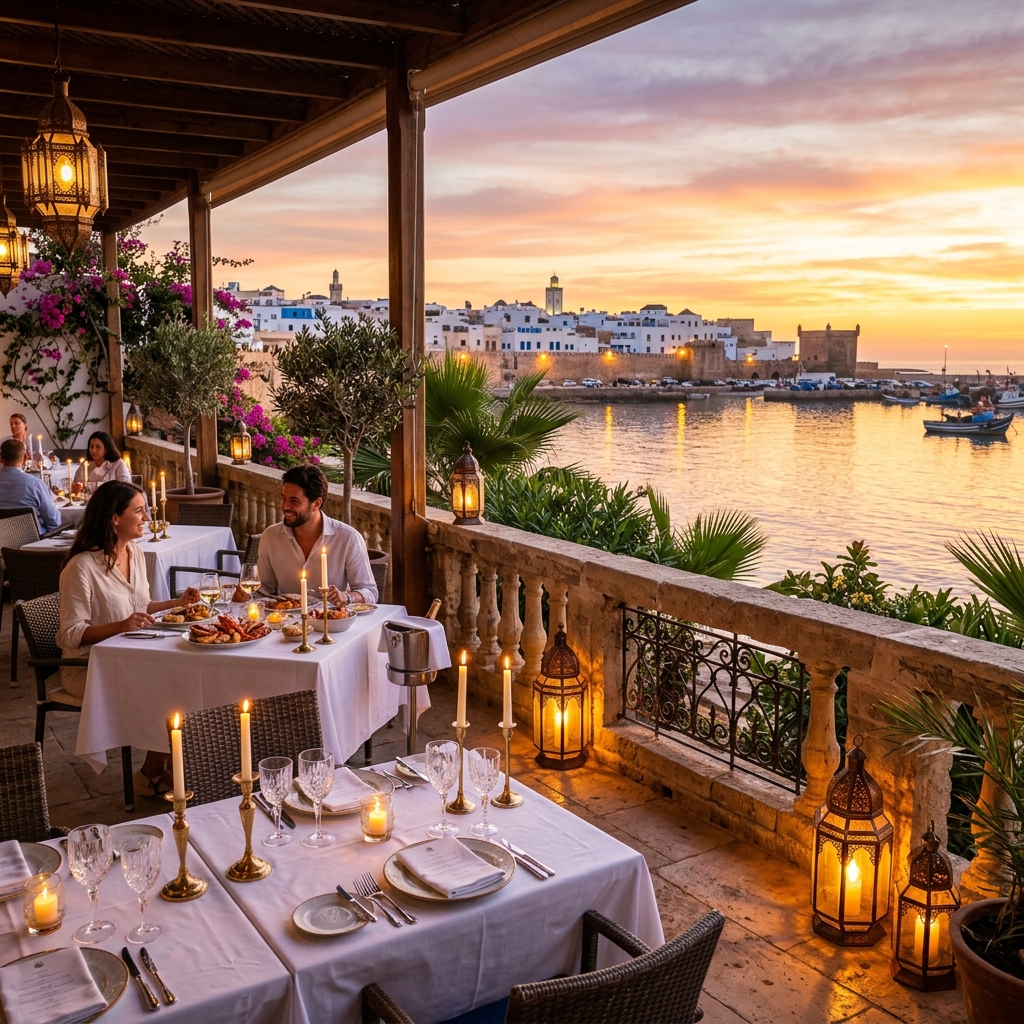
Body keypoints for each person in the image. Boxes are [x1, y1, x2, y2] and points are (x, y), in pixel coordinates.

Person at [56, 480, 201, 796]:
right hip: (90, 667)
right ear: (114, 518)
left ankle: (165, 765)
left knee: (185, 676)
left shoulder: (134, 553)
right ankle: (155, 771)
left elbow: (141, 606)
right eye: (139, 510)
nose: (147, 517)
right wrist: (121, 626)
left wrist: (176, 603)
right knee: (166, 686)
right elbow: (70, 634)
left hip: (133, 655)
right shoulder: (81, 567)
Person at [257, 464, 378, 606]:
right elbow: (262, 590)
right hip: (285, 619)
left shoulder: (348, 538)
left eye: (294, 501)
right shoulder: (270, 537)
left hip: (329, 618)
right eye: (283, 498)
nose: (285, 506)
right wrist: (243, 594)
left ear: (316, 504)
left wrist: (347, 597)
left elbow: (370, 592)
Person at [0, 439, 60, 534]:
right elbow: (54, 521)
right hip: (33, 540)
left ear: (0, 459)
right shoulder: (35, 484)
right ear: (25, 458)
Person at [72, 431, 132, 496]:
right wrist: (76, 488)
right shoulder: (86, 465)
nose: (93, 450)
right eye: (91, 446)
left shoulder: (118, 464)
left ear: (106, 449)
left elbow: (126, 488)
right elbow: (75, 486)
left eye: (98, 447)